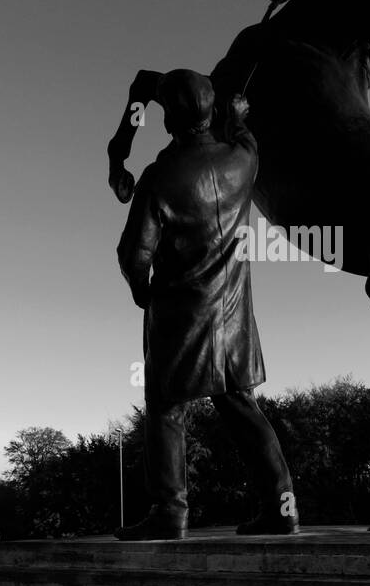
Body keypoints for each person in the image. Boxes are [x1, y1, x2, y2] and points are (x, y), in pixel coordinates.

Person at [113, 68, 298, 540]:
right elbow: (245, 136)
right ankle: (282, 508)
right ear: (213, 111)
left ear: (169, 120)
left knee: (166, 410)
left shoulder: (160, 177)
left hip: (180, 314)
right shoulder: (244, 159)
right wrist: (236, 119)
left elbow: (133, 255)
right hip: (233, 313)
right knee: (240, 405)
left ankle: (170, 512)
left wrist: (142, 293)